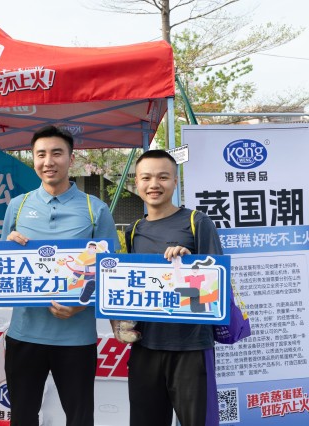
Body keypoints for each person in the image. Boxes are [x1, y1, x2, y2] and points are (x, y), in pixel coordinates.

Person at [1, 125, 119, 426]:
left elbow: (111, 271)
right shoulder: (18, 206)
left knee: (79, 418)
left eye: (57, 153)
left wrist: (82, 304)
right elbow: (2, 266)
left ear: (71, 158)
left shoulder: (95, 209)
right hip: (24, 334)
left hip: (76, 337)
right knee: (23, 416)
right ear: (33, 158)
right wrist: (9, 248)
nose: (48, 162)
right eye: (40, 154)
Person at [117, 149, 222, 426]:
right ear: (136, 182)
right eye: (146, 178)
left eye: (163, 177)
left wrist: (189, 263)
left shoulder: (197, 222)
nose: (154, 184)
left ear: (175, 181)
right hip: (145, 345)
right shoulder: (133, 229)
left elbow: (216, 286)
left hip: (190, 347)